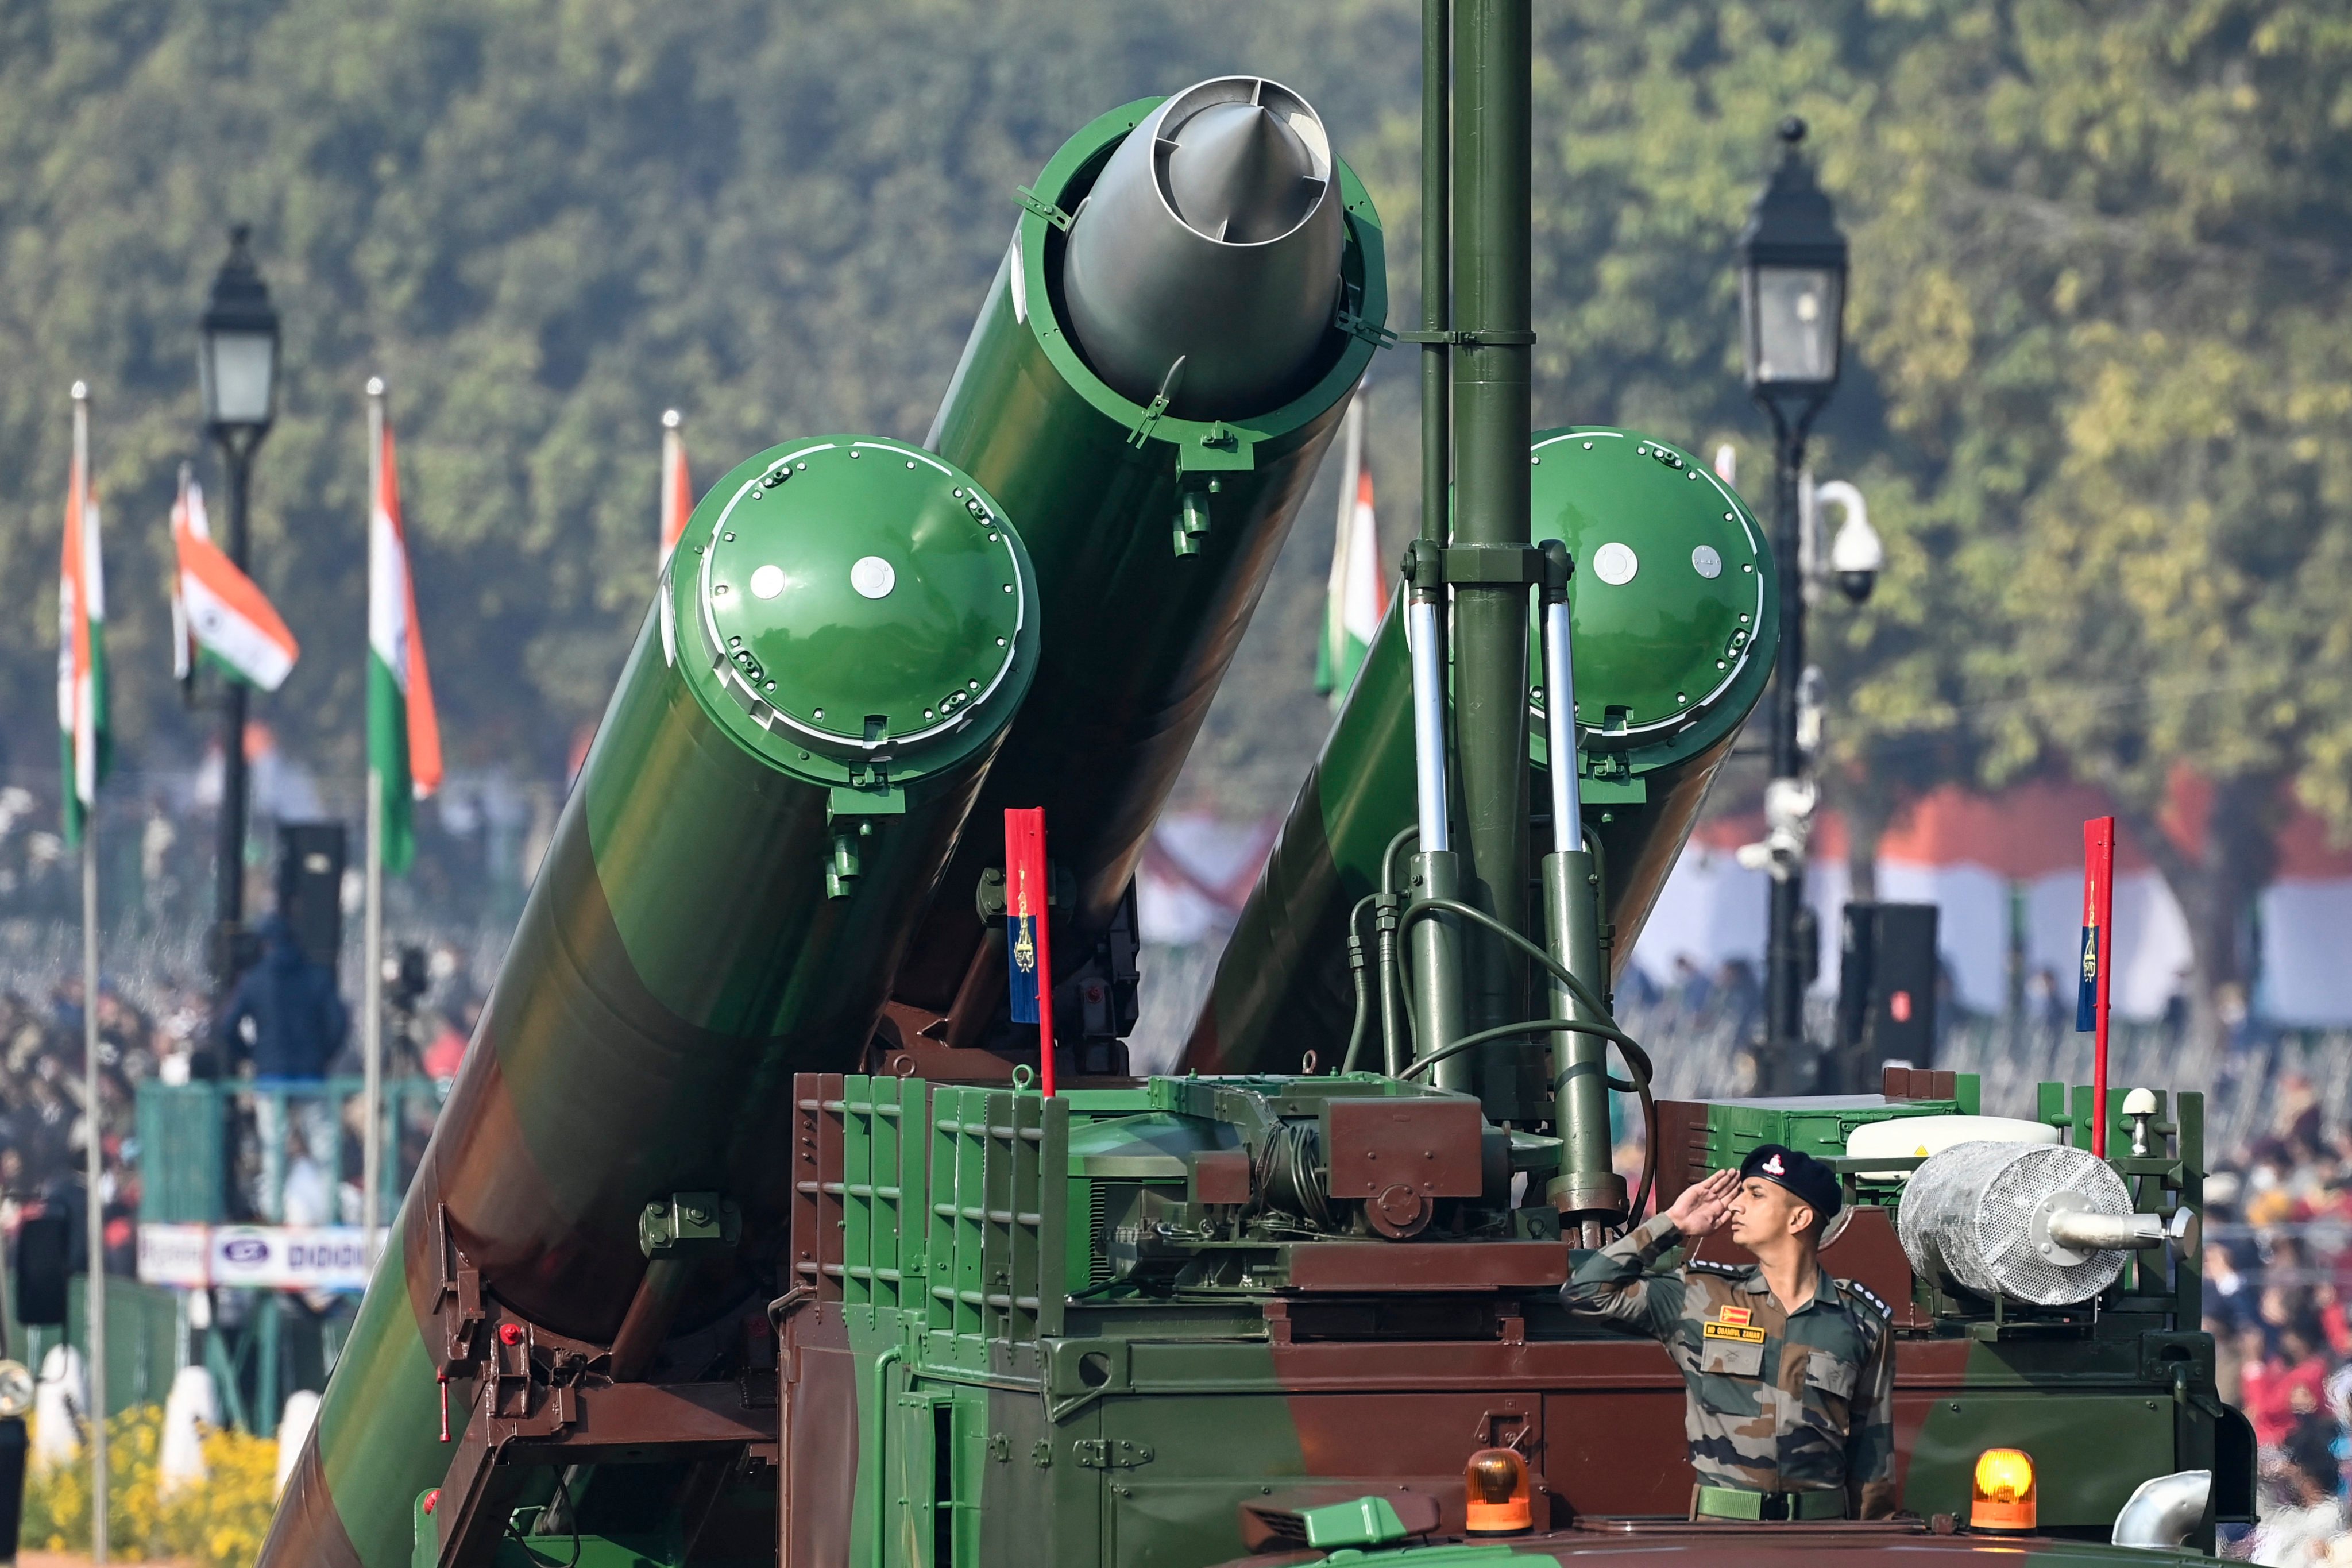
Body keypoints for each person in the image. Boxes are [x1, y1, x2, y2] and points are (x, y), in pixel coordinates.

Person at [1563, 1144, 1895, 1521]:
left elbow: (1873, 1459)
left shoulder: (1860, 1320)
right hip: (1722, 1534)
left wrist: (1872, 1542)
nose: (1735, 1205)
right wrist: (1672, 1223)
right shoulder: (1700, 1296)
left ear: (1799, 1219)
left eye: (1755, 1194)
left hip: (1820, 1537)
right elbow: (1584, 1293)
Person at [214, 913, 348, 1080]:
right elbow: (339, 1022)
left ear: (264, 944)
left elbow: (228, 1026)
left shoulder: (253, 981)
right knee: (312, 1104)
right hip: (311, 1074)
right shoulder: (317, 977)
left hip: (270, 1074)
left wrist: (254, 1055)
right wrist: (322, 1055)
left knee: (272, 1105)